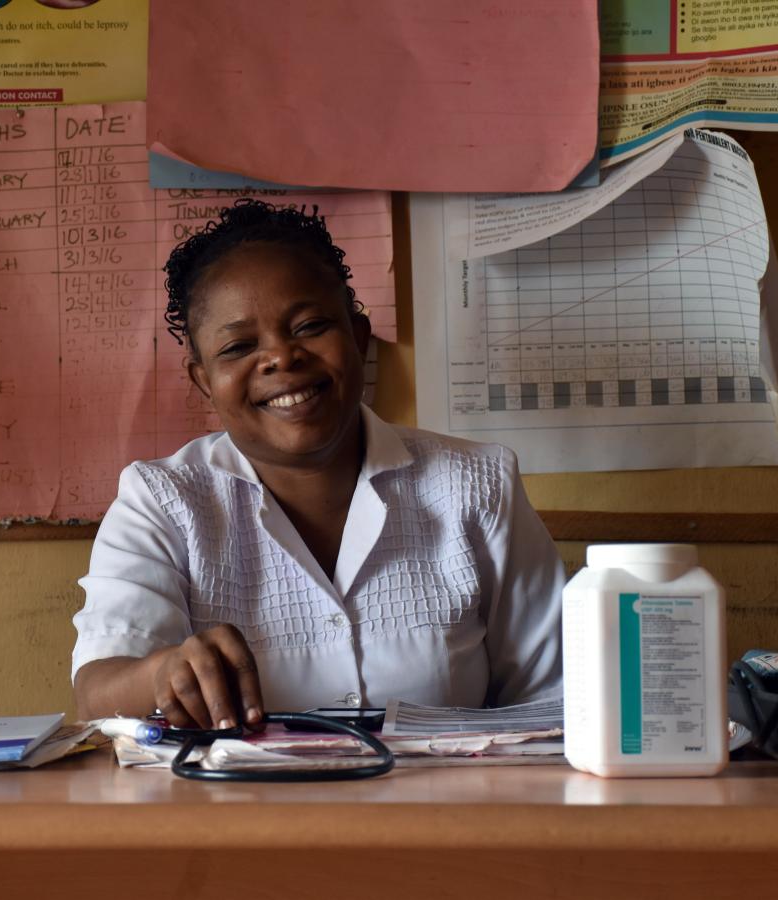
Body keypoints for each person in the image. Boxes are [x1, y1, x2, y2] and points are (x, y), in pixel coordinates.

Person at [71, 199, 564, 730]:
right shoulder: (162, 501)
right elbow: (98, 689)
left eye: (309, 326)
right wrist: (162, 672)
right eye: (239, 346)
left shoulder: (476, 486)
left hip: (447, 811)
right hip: (239, 812)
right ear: (204, 380)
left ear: (357, 338)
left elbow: (554, 699)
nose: (282, 357)